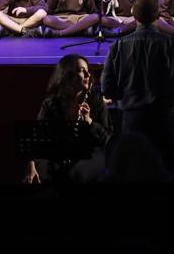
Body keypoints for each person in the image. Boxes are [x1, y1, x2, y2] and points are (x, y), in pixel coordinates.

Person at [101, 0, 174, 176]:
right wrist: (168, 100)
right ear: (157, 14)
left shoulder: (118, 47)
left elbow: (107, 87)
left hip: (132, 122)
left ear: (133, 14)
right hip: (166, 121)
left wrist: (126, 101)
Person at [24, 54, 110, 184]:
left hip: (90, 152)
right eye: (81, 71)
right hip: (61, 151)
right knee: (48, 170)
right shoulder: (51, 103)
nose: (88, 75)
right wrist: (31, 165)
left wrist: (90, 122)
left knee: (76, 174)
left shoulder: (96, 101)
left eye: (87, 70)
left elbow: (108, 139)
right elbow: (37, 138)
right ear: (67, 76)